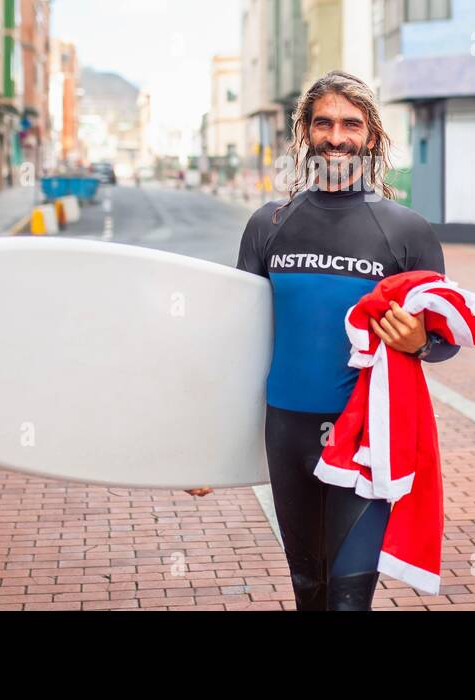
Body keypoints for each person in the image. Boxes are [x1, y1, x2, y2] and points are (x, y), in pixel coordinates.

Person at [195, 71, 459, 611]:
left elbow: (446, 338)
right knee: (309, 591)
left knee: (347, 597)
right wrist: (206, 451)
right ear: (305, 134)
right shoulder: (269, 225)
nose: (336, 135)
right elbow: (239, 346)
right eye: (324, 122)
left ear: (373, 137)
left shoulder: (406, 231)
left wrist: (418, 342)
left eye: (351, 124)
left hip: (364, 440)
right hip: (286, 435)